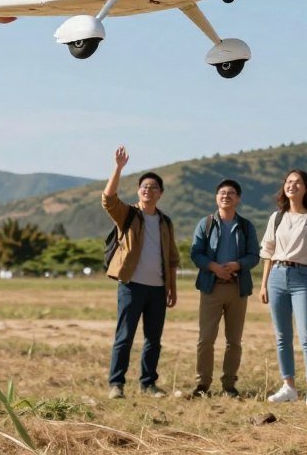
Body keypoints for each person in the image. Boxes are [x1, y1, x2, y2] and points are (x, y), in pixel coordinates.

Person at [103, 146, 179, 400]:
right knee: (124, 337)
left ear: (161, 193)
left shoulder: (165, 222)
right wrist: (118, 168)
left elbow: (171, 259)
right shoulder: (129, 214)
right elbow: (108, 199)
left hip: (157, 289)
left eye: (153, 187)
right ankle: (116, 384)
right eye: (144, 186)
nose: (148, 190)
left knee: (153, 340)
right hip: (131, 285)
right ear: (138, 191)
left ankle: (148, 384)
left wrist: (172, 289)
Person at [259, 170, 307, 405]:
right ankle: (288, 385)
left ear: (306, 188)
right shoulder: (276, 217)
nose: (292, 185)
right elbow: (267, 251)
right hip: (276, 275)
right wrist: (264, 284)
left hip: (303, 277)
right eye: (289, 182)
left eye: (298, 182)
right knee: (282, 336)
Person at [189, 179, 260, 398]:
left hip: (237, 288)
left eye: (231, 193)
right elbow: (196, 253)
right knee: (206, 338)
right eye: (222, 192)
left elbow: (254, 256)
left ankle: (229, 385)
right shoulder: (206, 223)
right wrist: (213, 267)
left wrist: (238, 265)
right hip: (212, 287)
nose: (226, 196)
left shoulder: (246, 226)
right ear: (216, 197)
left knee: (234, 341)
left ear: (238, 199)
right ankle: (203, 384)